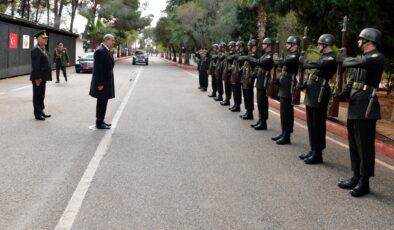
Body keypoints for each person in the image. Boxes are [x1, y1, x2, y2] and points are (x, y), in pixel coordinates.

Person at [338, 28, 384, 197]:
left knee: (365, 146)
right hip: (355, 103)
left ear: (369, 41)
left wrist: (344, 59)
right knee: (354, 144)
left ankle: (364, 182)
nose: (358, 41)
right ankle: (356, 175)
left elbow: (356, 63)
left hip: (366, 106)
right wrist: (343, 93)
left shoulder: (376, 57)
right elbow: (353, 78)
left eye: (360, 39)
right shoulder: (362, 59)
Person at [298, 34, 337, 164]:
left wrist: (305, 62)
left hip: (320, 93)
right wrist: (305, 84)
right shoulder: (323, 57)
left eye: (320, 44)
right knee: (311, 123)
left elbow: (318, 64)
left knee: (318, 125)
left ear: (326, 45)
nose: (318, 46)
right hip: (313, 91)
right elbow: (315, 72)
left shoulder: (330, 58)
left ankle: (318, 153)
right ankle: (313, 148)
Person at [272, 36, 300, 144]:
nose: (287, 44)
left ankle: (287, 135)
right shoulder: (290, 55)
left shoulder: (295, 56)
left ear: (295, 45)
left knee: (287, 112)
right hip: (284, 84)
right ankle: (283, 132)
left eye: (289, 43)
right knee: (283, 112)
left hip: (289, 84)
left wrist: (276, 58)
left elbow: (282, 62)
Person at [89, 34, 116, 130]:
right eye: (112, 40)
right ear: (107, 40)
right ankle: (99, 122)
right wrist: (100, 83)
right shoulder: (100, 51)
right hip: (102, 83)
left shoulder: (106, 50)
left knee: (104, 102)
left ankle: (101, 120)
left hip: (106, 81)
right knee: (101, 102)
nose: (113, 42)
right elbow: (98, 69)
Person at [249, 37, 273, 130]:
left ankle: (263, 122)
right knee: (259, 102)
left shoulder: (269, 56)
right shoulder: (264, 55)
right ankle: (260, 120)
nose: (262, 45)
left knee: (263, 102)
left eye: (264, 44)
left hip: (264, 81)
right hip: (260, 81)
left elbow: (261, 63)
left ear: (269, 46)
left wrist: (251, 59)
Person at [30, 30, 52, 121]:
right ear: (39, 39)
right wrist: (37, 78)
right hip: (38, 77)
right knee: (37, 95)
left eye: (46, 38)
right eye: (44, 38)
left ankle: (41, 110)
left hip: (44, 77)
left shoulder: (43, 49)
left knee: (42, 95)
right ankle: (37, 113)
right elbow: (35, 66)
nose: (46, 39)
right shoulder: (36, 50)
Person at [240, 39, 258, 120]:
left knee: (249, 95)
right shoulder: (250, 55)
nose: (248, 47)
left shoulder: (255, 55)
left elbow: (255, 67)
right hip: (246, 77)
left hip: (250, 78)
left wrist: (251, 75)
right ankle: (247, 111)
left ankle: (250, 113)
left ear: (253, 46)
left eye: (249, 46)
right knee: (246, 94)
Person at [221, 41, 236, 106]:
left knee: (232, 89)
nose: (230, 48)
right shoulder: (229, 53)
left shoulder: (235, 53)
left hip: (232, 72)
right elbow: (225, 58)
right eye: (230, 46)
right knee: (226, 87)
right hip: (227, 72)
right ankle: (227, 99)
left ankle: (230, 100)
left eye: (231, 46)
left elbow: (228, 58)